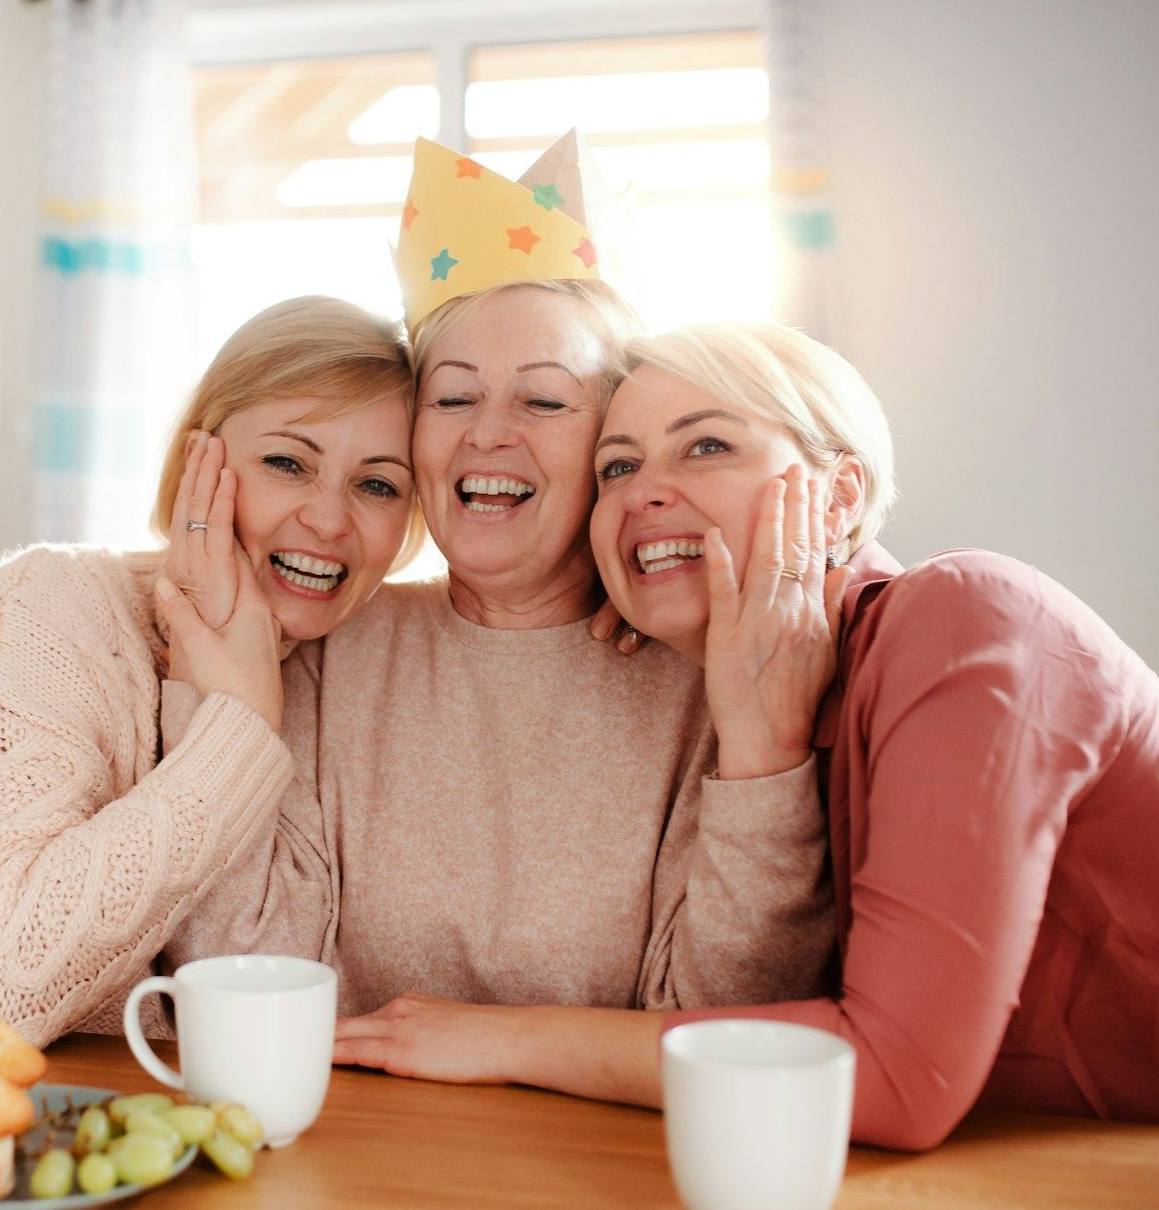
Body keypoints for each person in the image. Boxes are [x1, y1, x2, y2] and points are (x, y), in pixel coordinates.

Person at [165, 137, 838, 1046]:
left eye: (544, 401)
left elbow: (721, 1023)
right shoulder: (327, 649)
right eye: (452, 398)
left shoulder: (705, 672)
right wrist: (222, 701)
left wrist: (762, 751)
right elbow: (247, 977)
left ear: (609, 437)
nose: (488, 435)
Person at [575, 320, 1158, 1146]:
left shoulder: (960, 615)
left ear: (840, 497)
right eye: (617, 466)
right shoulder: (725, 694)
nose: (642, 491)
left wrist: (492, 1037)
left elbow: (892, 1079)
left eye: (705, 446)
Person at [0, 296, 421, 1047]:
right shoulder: (44, 607)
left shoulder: (338, 663)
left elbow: (269, 998)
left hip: (133, 1133)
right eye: (287, 462)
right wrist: (235, 722)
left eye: (377, 484)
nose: (330, 520)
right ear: (196, 463)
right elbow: (3, 986)